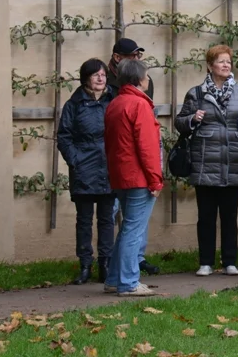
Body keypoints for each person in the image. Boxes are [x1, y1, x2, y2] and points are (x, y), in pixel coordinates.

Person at [175, 45, 238, 277]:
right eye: (221, 61)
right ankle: (205, 262)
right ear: (209, 66)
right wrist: (192, 119)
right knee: (205, 216)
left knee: (230, 216)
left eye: (229, 61)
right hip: (205, 160)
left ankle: (230, 262)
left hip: (233, 159)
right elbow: (180, 122)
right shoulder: (196, 93)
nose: (226, 65)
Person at [103, 59, 163, 297]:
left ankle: (115, 279)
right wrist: (155, 179)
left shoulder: (116, 103)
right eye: (146, 76)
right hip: (138, 176)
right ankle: (128, 282)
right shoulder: (139, 105)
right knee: (133, 230)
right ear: (139, 79)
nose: (148, 80)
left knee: (127, 228)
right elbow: (147, 146)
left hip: (121, 175)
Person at [57, 58, 115, 285]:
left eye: (103, 74)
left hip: (108, 167)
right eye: (95, 75)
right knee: (84, 219)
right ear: (86, 78)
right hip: (83, 168)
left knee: (107, 219)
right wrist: (76, 160)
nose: (101, 78)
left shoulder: (113, 101)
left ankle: (106, 264)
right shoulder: (74, 105)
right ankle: (85, 265)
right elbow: (64, 136)